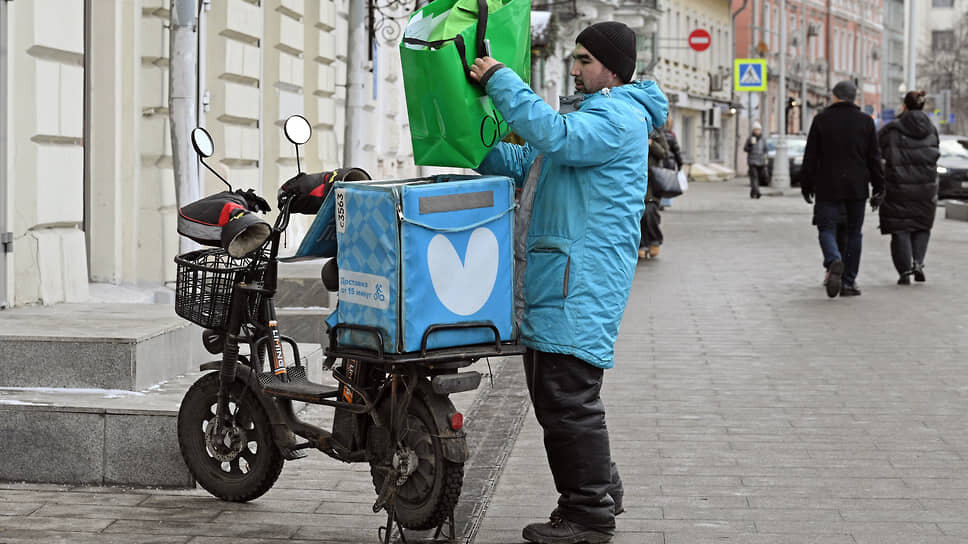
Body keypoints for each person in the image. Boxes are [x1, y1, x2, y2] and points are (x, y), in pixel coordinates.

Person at [468, 21, 668, 544]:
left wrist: (502, 81)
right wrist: (473, 145)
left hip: (579, 281)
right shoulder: (593, 114)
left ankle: (588, 516)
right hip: (562, 277)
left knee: (566, 397)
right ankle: (600, 490)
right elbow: (537, 160)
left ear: (613, 69)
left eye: (584, 60)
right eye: (573, 59)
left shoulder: (617, 115)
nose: (574, 69)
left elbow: (557, 138)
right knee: (558, 394)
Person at [800, 80, 885, 298]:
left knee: (826, 228)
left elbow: (811, 156)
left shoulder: (821, 120)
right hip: (856, 187)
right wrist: (879, 187)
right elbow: (874, 158)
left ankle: (833, 259)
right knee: (853, 233)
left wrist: (806, 185)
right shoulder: (866, 122)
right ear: (854, 97)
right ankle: (848, 282)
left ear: (835, 96)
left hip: (827, 185)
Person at [876, 90, 940, 285]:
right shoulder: (931, 129)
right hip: (925, 188)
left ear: (904, 106)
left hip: (898, 187)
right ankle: (918, 263)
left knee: (900, 228)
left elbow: (876, 154)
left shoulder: (891, 130)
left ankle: (904, 271)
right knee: (921, 226)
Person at [639, 128, 668, 259]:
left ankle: (654, 241)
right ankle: (642, 245)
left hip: (652, 181)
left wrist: (652, 144)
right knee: (639, 213)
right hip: (636, 178)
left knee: (650, 211)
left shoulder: (657, 134)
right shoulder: (634, 129)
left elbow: (664, 153)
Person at [660, 118, 684, 209]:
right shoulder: (671, 135)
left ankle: (658, 202)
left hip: (658, 163)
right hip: (669, 163)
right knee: (666, 183)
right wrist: (680, 164)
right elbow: (677, 151)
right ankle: (664, 202)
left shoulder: (655, 135)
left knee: (657, 182)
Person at [743, 122, 767, 199]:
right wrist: (750, 146)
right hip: (752, 161)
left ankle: (753, 192)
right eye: (756, 130)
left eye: (758, 130)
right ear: (753, 130)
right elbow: (745, 149)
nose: (757, 131)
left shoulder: (763, 139)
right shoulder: (750, 138)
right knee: (754, 177)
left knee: (759, 177)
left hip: (761, 161)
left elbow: (765, 149)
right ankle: (757, 192)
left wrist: (764, 157)